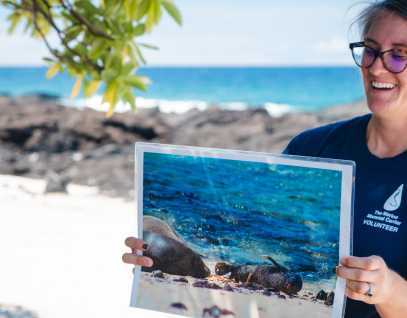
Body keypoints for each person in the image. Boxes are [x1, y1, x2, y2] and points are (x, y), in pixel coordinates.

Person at [123, 1, 407, 317]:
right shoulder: (312, 147)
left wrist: (389, 289)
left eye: (400, 54)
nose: (377, 67)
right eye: (370, 50)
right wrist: (160, 260)